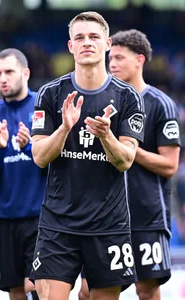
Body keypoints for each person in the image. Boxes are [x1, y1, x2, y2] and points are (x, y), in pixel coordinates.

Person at [30, 11, 145, 300]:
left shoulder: (129, 97)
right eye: (79, 38)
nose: (87, 43)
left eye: (94, 37)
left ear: (107, 44)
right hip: (58, 223)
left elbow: (126, 161)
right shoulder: (51, 93)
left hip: (108, 223)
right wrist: (65, 128)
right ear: (70, 46)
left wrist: (106, 135)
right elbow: (40, 157)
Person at [107, 29, 180, 300]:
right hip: (105, 216)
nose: (112, 64)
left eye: (118, 57)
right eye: (110, 58)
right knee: (90, 292)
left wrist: (124, 149)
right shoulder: (105, 102)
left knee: (147, 291)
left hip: (146, 216)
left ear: (139, 60)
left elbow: (170, 165)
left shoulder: (161, 105)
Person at [0, 48, 46, 300]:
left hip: (40, 218)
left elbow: (55, 162)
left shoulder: (42, 103)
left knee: (37, 287)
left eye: (9, 72)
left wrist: (30, 146)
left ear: (25, 73)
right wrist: (0, 147)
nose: (2, 78)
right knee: (16, 291)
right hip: (5, 219)